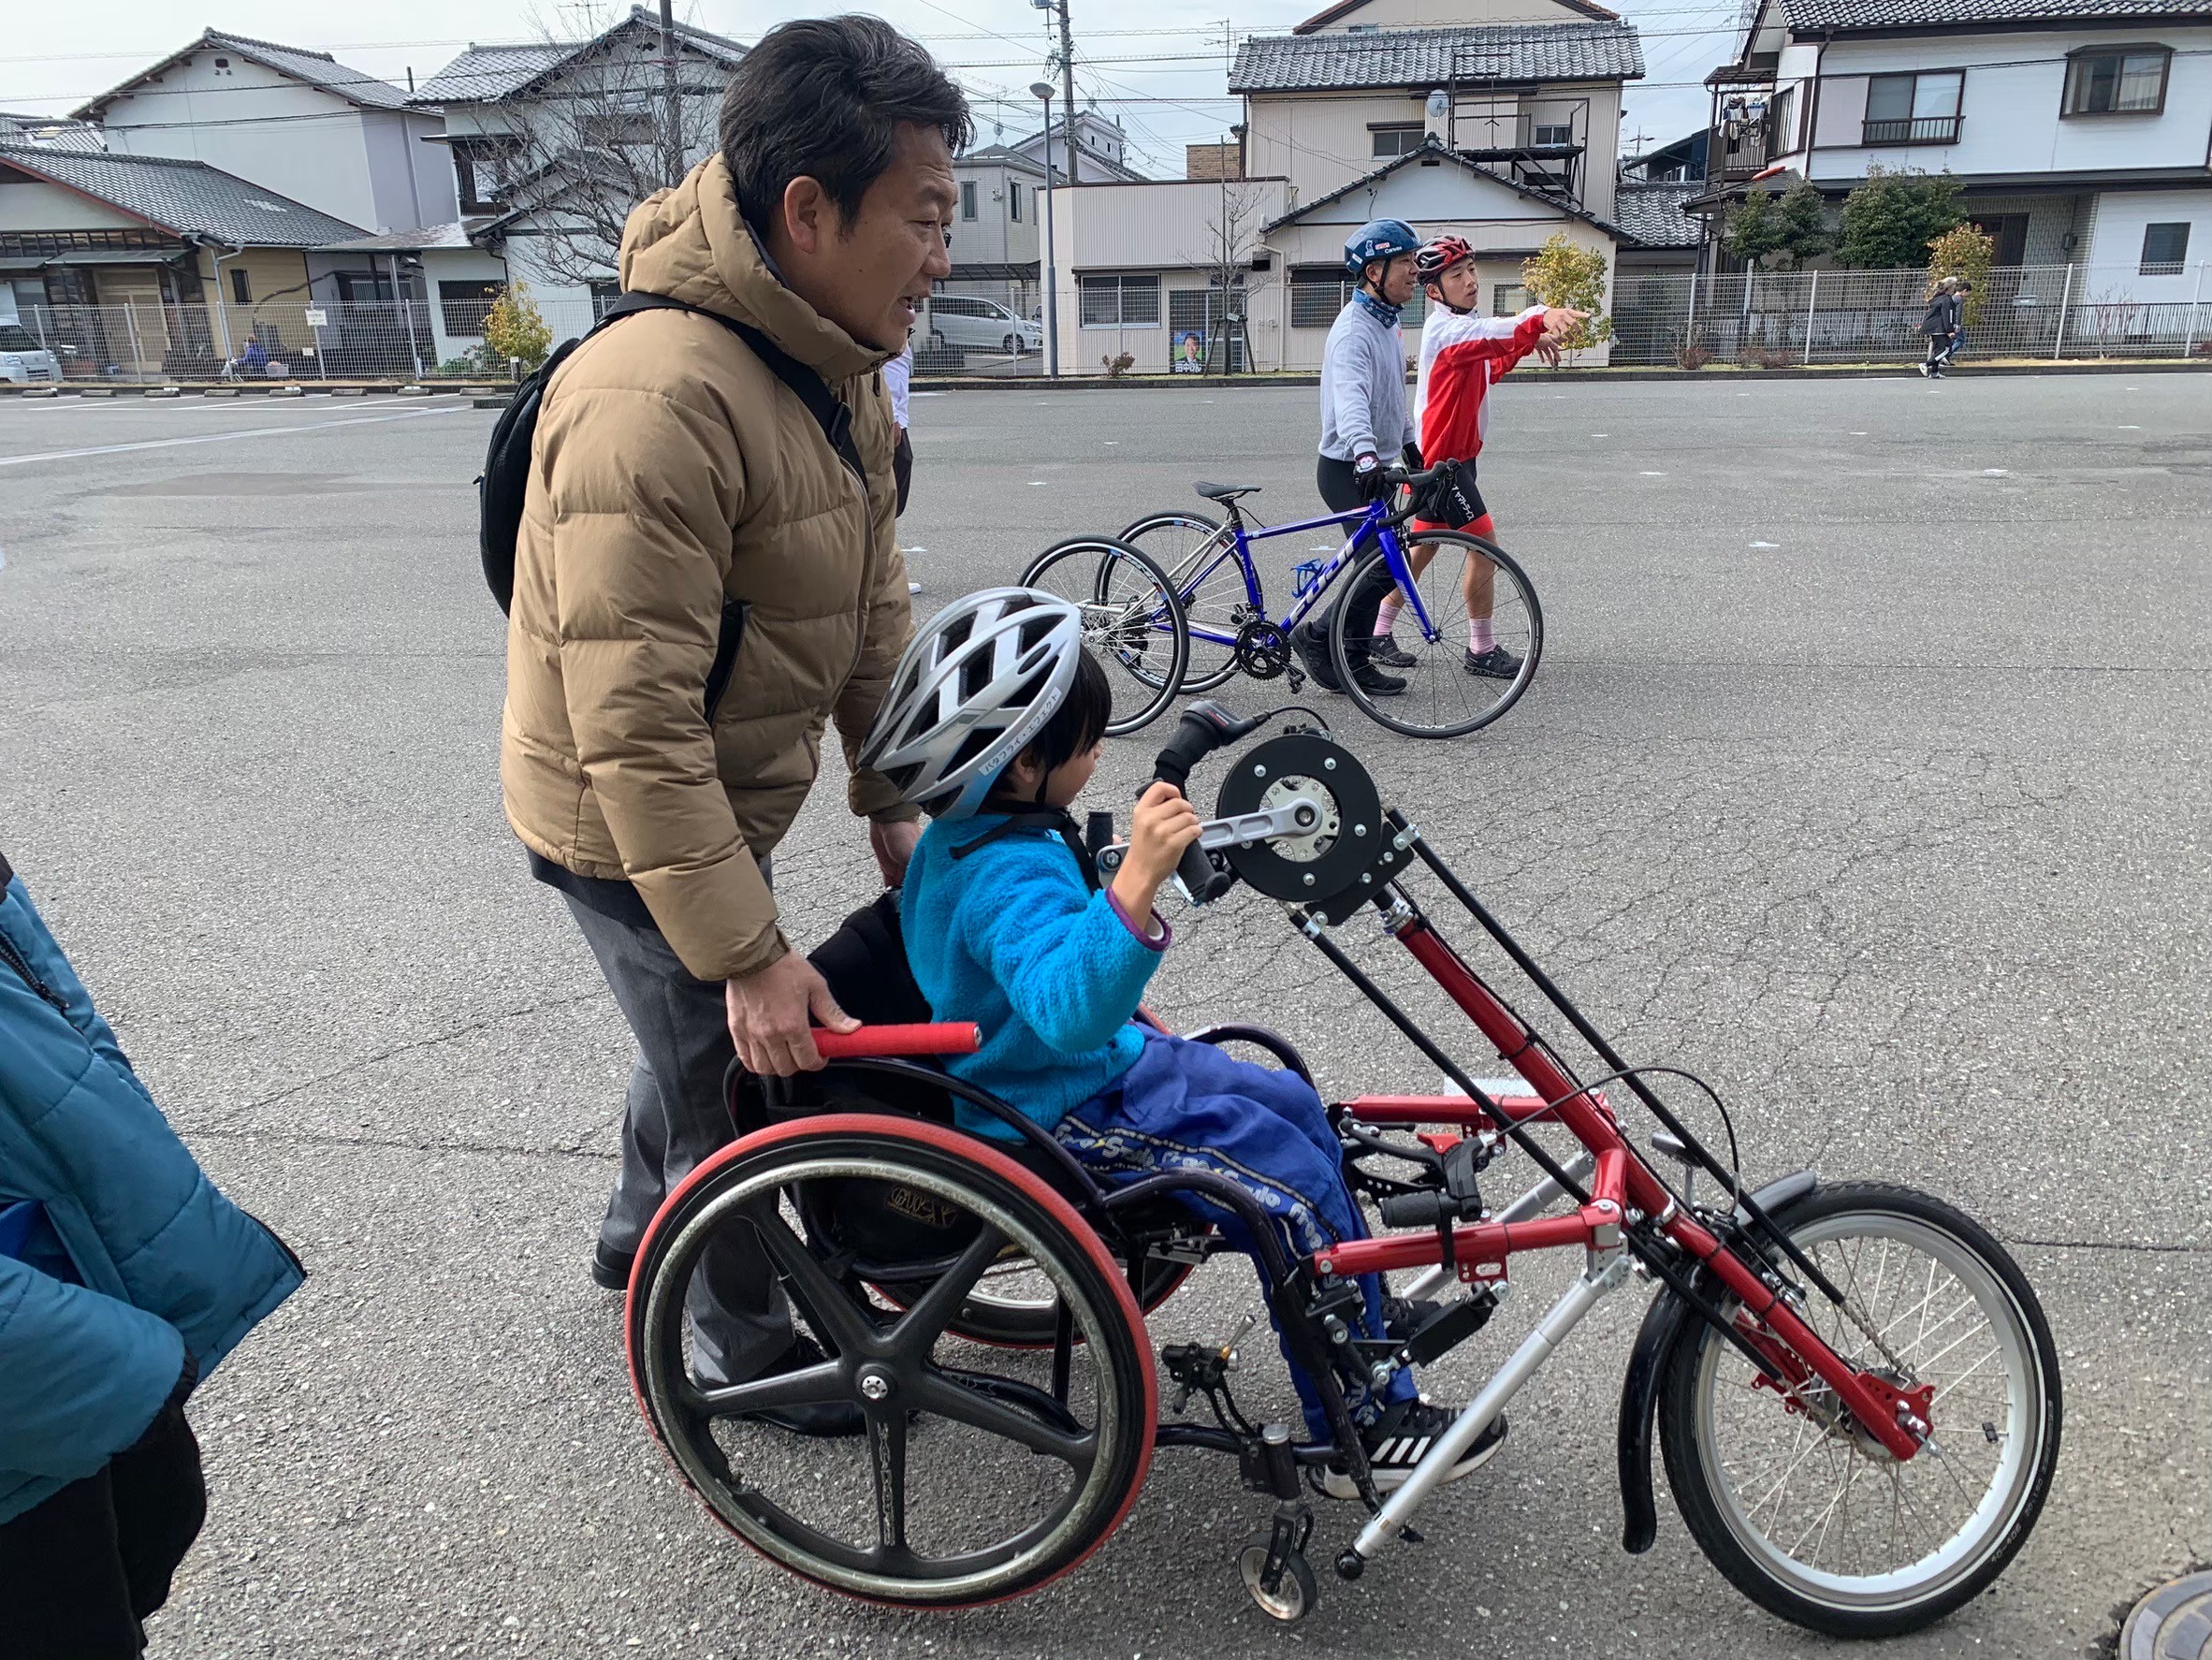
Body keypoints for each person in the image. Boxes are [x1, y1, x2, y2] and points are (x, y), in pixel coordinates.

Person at [500, 16, 967, 1422]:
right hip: (616, 812)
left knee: (699, 1027)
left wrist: (894, 789)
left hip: (715, 786)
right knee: (736, 1058)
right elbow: (631, 729)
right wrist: (750, 956)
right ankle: (738, 1345)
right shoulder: (653, 404)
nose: (941, 257)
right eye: (925, 218)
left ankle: (640, 1230)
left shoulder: (830, 358)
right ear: (808, 212)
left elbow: (872, 594)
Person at [867, 590, 1509, 1497]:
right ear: (1019, 765)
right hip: (1067, 1108)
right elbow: (1064, 1009)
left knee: (1289, 1104)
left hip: (1100, 1073)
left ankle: (1353, 1303)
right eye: (1086, 741)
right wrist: (1132, 884)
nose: (1098, 754)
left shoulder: (982, 836)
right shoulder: (1005, 871)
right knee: (1290, 1186)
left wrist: (1126, 869)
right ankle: (1361, 1419)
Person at [0, 849, 302, 1658]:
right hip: (41, 1392)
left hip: (68, 1344)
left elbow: (54, 1019)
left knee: (140, 1543)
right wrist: (131, 1368)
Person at [1374, 235, 1583, 677]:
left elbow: (1489, 362)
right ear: (1434, 290)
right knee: (1484, 543)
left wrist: (1529, 340)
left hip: (1453, 460)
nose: (1470, 281)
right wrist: (1539, 317)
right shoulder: (1448, 331)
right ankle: (1481, 649)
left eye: (1471, 270)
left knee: (1424, 546)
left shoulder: (1460, 331)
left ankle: (1377, 629)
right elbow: (1492, 334)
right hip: (1441, 464)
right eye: (1457, 275)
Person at [1291, 217, 1426, 697]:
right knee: (1380, 565)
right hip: (1349, 468)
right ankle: (1327, 645)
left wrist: (1410, 444)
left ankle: (1340, 653)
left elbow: (1392, 397)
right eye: (1406, 262)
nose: (1415, 270)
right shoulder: (1354, 332)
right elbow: (1350, 399)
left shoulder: (1386, 325)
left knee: (1387, 562)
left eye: (1415, 260)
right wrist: (1367, 455)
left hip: (1376, 466)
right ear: (1374, 272)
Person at [1919, 276, 1965, 378]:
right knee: (1946, 349)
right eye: (1954, 286)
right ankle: (1925, 364)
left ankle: (1934, 372)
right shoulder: (1947, 300)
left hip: (1932, 326)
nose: (1955, 289)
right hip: (1938, 327)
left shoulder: (1937, 297)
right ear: (1949, 288)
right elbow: (1947, 315)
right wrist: (1950, 330)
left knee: (1938, 350)